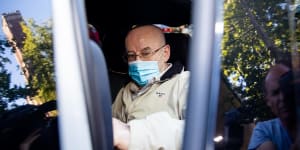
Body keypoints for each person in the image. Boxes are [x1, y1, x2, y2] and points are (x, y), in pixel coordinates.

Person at [112, 24, 190, 150]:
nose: (138, 61)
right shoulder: (126, 90)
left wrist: (131, 134)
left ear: (165, 53)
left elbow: (194, 132)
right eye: (131, 55)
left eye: (145, 53)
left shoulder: (185, 83)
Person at [247, 63, 298, 150]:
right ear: (268, 101)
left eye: (287, 89)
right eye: (275, 93)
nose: (283, 98)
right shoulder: (265, 130)